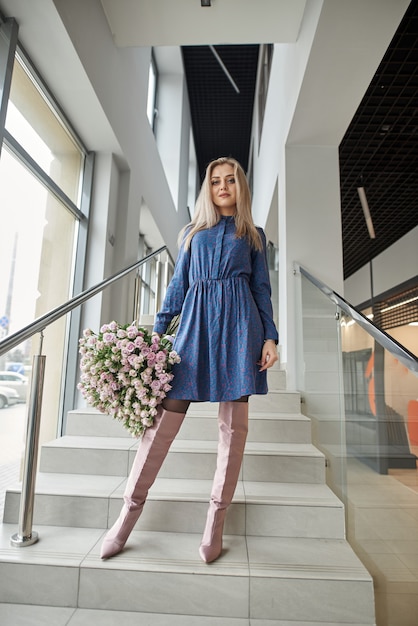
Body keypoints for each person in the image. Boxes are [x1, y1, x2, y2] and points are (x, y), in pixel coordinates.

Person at [100, 156, 279, 563]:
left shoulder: (253, 235)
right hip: (194, 331)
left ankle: (215, 523)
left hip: (239, 332)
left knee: (233, 433)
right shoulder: (191, 234)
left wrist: (270, 337)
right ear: (207, 188)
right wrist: (155, 336)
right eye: (215, 181)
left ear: (240, 187)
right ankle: (126, 517)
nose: (222, 186)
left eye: (230, 180)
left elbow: (263, 291)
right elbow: (177, 287)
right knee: (162, 423)